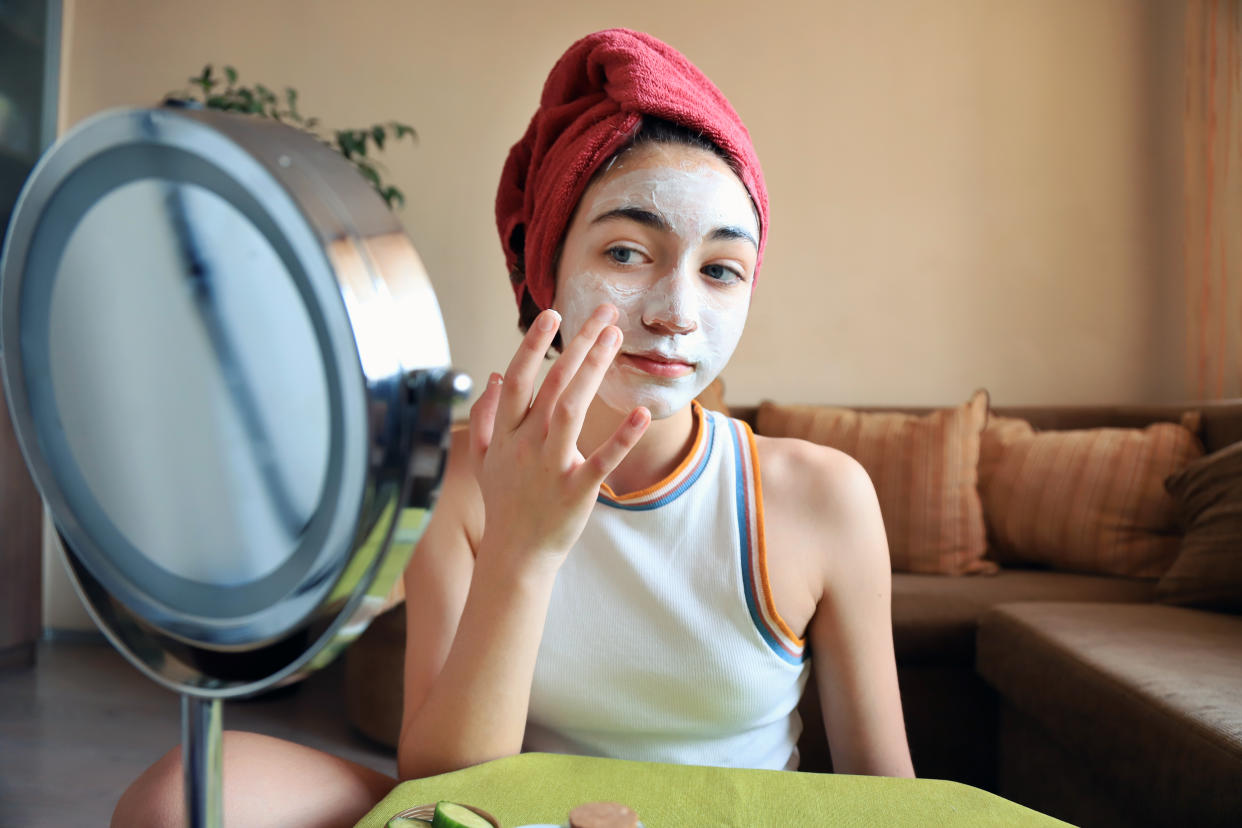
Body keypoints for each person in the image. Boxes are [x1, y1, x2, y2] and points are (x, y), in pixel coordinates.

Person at [112, 27, 912, 828]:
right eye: (629, 253)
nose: (677, 312)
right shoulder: (465, 476)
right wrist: (522, 549)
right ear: (547, 270)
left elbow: (897, 803)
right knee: (180, 797)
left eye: (720, 270)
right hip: (516, 820)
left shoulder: (823, 497)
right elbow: (440, 784)